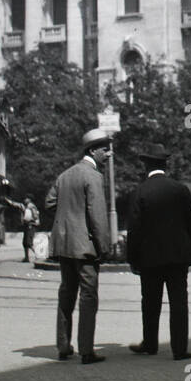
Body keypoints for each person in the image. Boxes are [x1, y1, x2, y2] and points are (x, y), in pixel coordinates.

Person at [45, 128, 112, 363]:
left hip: (65, 246)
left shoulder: (65, 175)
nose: (109, 154)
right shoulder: (93, 176)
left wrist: (68, 220)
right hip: (85, 248)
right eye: (105, 149)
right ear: (93, 151)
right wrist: (104, 247)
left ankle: (63, 346)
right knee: (88, 296)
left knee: (67, 293)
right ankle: (86, 350)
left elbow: (50, 202)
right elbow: (98, 216)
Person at [127, 143, 191, 361]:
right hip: (178, 256)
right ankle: (180, 349)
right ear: (165, 164)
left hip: (149, 258)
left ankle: (150, 344)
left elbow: (134, 229)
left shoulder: (140, 192)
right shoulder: (180, 189)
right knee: (179, 302)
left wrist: (133, 259)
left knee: (150, 302)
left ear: (146, 165)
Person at [20, 198, 40, 263]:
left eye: (26, 198)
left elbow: (35, 216)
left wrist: (34, 221)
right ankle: (26, 258)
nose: (25, 200)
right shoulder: (27, 206)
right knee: (25, 243)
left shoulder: (31, 206)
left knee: (29, 243)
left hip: (31, 225)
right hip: (27, 225)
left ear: (29, 199)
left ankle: (39, 256)